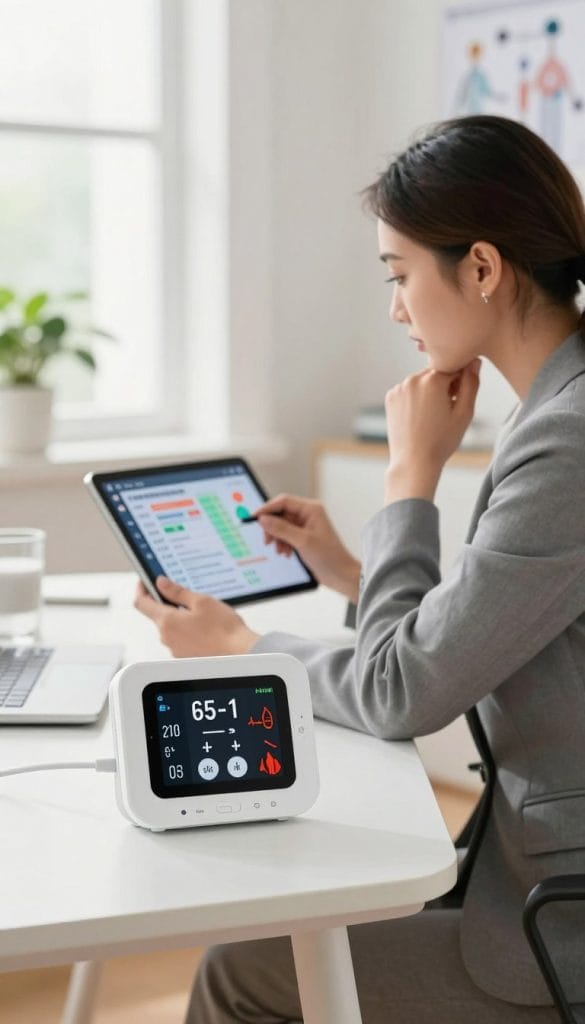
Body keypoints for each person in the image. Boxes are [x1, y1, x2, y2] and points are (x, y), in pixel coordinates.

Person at [135, 114, 585, 1022]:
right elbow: (498, 621)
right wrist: (350, 570)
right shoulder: (558, 405)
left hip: (556, 931)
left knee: (244, 970)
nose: (395, 308)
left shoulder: (566, 441)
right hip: (516, 872)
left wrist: (407, 480)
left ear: (482, 268)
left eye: (398, 274)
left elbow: (398, 692)